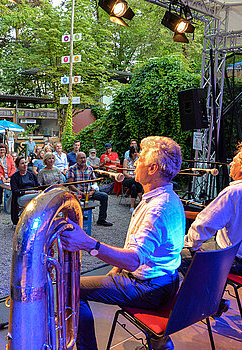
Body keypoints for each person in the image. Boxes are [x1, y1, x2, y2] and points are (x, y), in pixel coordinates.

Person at [61, 136, 185, 350]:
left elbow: (134, 260)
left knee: (72, 287)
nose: (135, 163)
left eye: (141, 159)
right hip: (166, 281)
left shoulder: (157, 208)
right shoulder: (166, 198)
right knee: (86, 284)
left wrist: (87, 243)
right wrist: (113, 272)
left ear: (153, 168)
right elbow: (137, 252)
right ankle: (159, 342)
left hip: (150, 288)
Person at [182, 140, 242, 277]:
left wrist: (189, 245)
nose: (230, 164)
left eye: (234, 161)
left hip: (233, 259)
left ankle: (199, 297)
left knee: (175, 258)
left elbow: (205, 224)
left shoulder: (235, 192)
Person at [68, 152, 113, 227]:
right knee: (72, 198)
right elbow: (70, 184)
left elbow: (94, 182)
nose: (83, 160)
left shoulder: (90, 169)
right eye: (81, 158)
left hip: (89, 192)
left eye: (84, 158)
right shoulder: (72, 169)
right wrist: (79, 192)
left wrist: (92, 192)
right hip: (77, 192)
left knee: (104, 196)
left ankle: (101, 220)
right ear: (76, 159)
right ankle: (76, 220)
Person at [10, 156, 40, 225]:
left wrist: (39, 191)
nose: (25, 165)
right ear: (17, 166)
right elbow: (15, 191)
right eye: (22, 163)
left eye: (25, 163)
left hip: (34, 195)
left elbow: (38, 186)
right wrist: (31, 192)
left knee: (41, 196)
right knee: (39, 197)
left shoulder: (32, 175)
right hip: (21, 197)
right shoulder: (14, 177)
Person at [0, 143, 16, 213]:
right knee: (0, 186)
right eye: (0, 150)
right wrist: (2, 177)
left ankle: (11, 204)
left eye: (3, 150)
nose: (2, 151)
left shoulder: (9, 157)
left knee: (13, 186)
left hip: (9, 177)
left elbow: (13, 168)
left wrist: (9, 177)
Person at [122, 141, 142, 213]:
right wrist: (132, 177)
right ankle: (142, 202)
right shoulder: (126, 160)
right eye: (134, 153)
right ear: (131, 153)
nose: (135, 154)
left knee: (134, 186)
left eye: (136, 153)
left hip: (136, 180)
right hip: (127, 179)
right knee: (136, 181)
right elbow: (124, 173)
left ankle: (132, 207)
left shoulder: (138, 161)